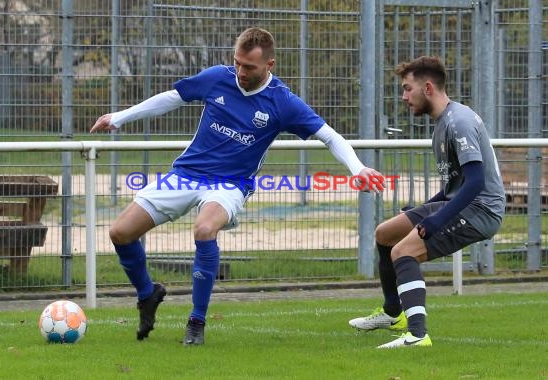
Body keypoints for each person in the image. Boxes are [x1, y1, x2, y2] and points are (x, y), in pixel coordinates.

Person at [91, 27, 386, 345]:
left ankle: (196, 322)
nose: (241, 73)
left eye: (249, 67)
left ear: (269, 65)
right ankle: (147, 295)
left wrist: (358, 168)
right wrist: (120, 117)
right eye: (237, 64)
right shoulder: (218, 77)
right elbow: (173, 98)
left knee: (205, 229)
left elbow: (329, 135)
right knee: (120, 232)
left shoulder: (282, 102)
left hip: (230, 185)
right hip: (187, 173)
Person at [348, 55, 505, 348]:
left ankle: (418, 335)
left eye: (408, 89)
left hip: (482, 209)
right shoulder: (444, 121)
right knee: (385, 234)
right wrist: (419, 211)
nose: (404, 96)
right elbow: (452, 189)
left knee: (404, 251)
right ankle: (393, 313)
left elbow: (475, 183)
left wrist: (435, 220)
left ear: (428, 87)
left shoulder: (458, 122)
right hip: (465, 201)